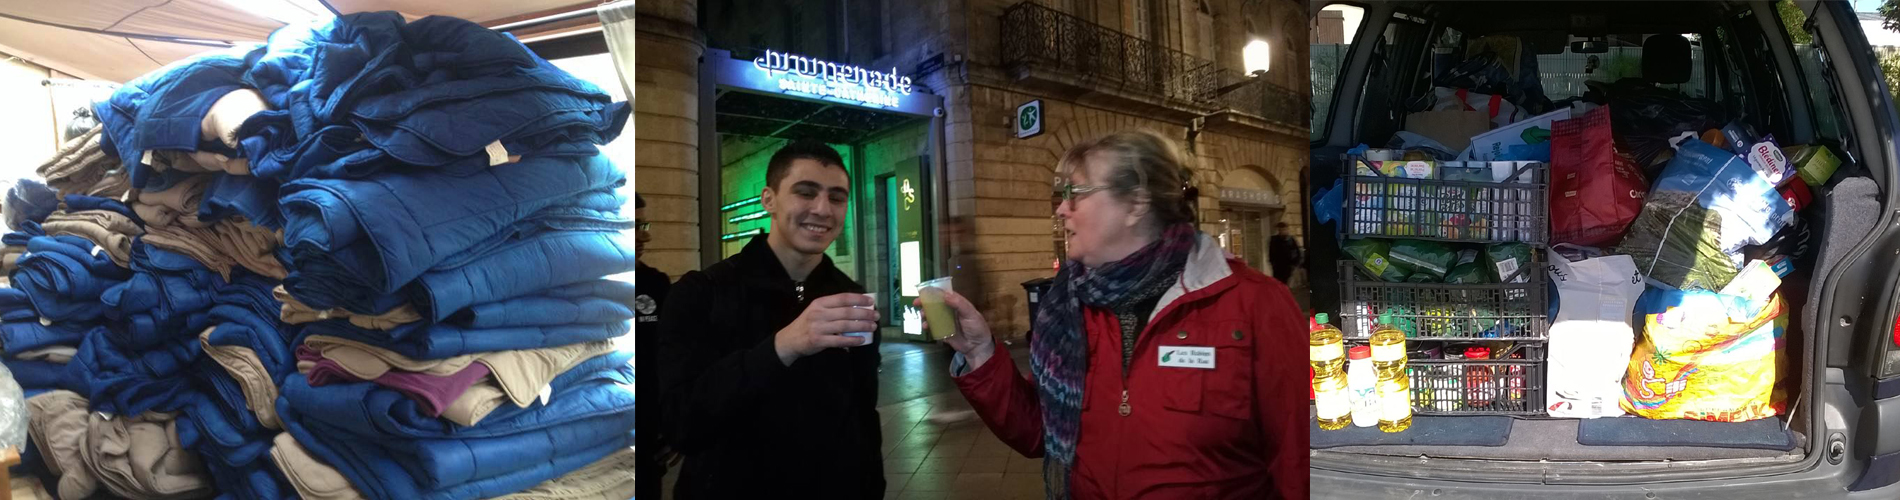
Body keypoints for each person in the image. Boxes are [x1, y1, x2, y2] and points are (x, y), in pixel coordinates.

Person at [922, 131, 1308, 499]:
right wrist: (980, 353)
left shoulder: (1255, 304)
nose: (1061, 208)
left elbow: (1299, 464)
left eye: (1076, 193)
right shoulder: (1068, 304)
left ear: (1135, 204)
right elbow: (1041, 431)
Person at [655, 140, 883, 499]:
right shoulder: (702, 293)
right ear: (769, 199)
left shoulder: (851, 298)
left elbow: (863, 413)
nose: (823, 209)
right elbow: (682, 424)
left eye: (837, 198)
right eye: (805, 192)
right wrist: (782, 347)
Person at [633, 193, 673, 500]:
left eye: (643, 225)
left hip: (648, 433)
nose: (644, 235)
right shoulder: (587, 284)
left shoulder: (656, 285)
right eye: (633, 226)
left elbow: (673, 358)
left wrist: (673, 425)